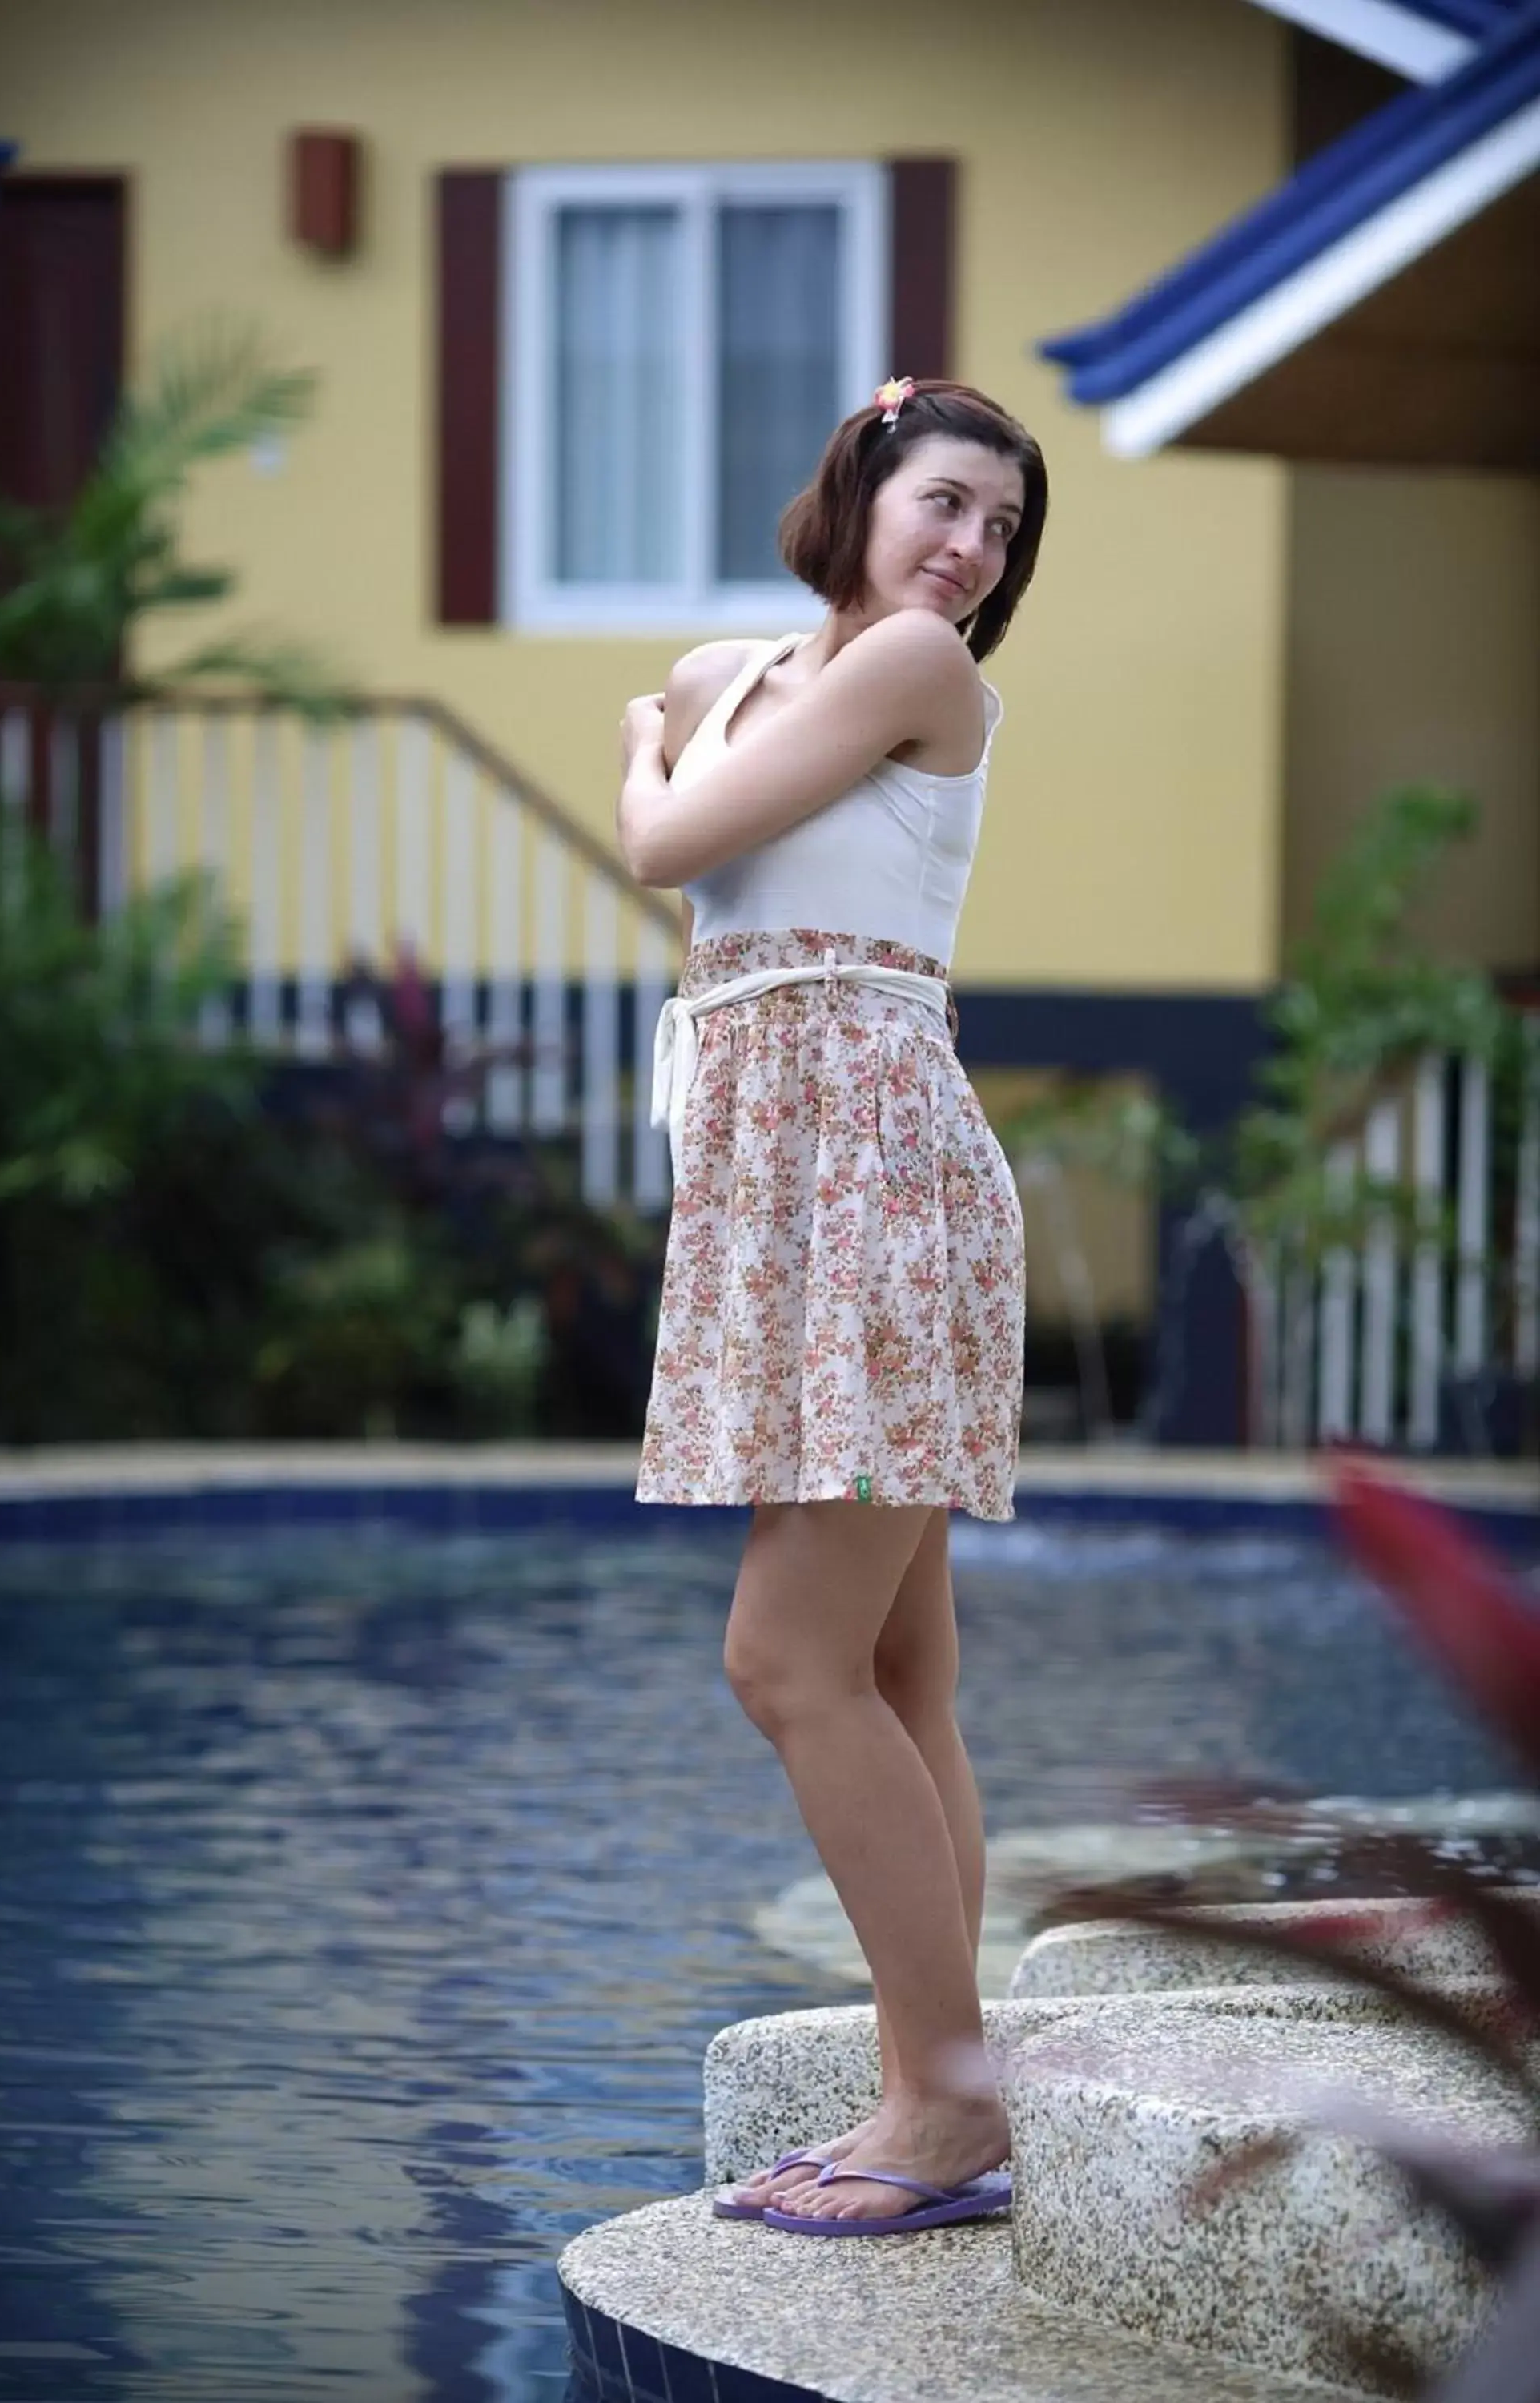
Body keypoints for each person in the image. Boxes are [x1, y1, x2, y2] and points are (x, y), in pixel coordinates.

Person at [615, 377, 1047, 2236]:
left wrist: (641, 744)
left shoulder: (915, 679)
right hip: (783, 1186)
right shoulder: (747, 669)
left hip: (879, 1190)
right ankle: (937, 2082)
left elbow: (658, 842)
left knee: (785, 1663)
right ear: (863, 486)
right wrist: (669, 728)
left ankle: (946, 2109)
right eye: (946, 504)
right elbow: (707, 834)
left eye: (1002, 530)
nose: (969, 550)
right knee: (892, 1669)